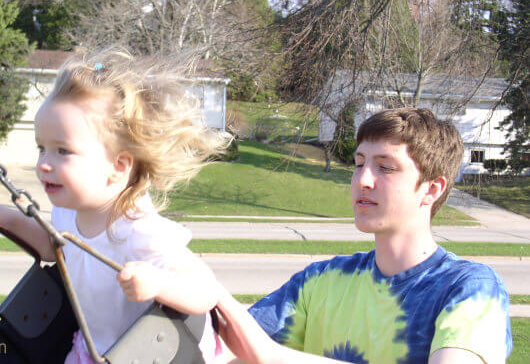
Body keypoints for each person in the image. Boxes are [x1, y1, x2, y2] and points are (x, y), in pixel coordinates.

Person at [0, 50, 230, 363]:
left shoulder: (138, 230)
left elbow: (206, 290)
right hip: (93, 347)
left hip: (145, 352)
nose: (43, 164)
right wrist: (11, 221)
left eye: (62, 151)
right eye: (42, 149)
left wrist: (159, 284)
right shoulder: (68, 211)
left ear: (118, 166)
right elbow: (52, 248)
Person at [215, 107, 512, 364]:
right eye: (359, 164)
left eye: (385, 167)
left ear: (431, 189)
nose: (363, 180)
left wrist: (271, 356)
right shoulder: (320, 281)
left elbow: (261, 352)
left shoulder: (469, 288)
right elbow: (224, 349)